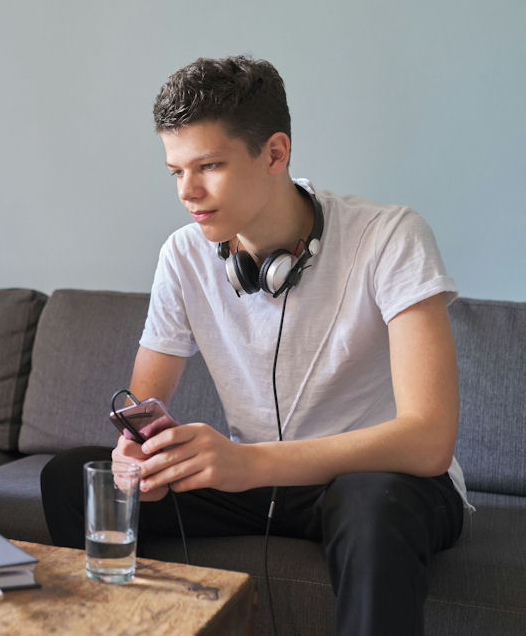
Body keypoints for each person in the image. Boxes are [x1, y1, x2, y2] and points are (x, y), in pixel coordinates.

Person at [40, 56, 467, 635]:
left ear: (274, 153)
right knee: (73, 477)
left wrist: (245, 462)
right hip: (256, 482)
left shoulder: (390, 236)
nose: (187, 192)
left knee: (371, 507)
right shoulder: (184, 255)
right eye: (175, 171)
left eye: (209, 165)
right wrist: (134, 457)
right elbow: (141, 407)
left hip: (379, 480)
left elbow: (428, 440)